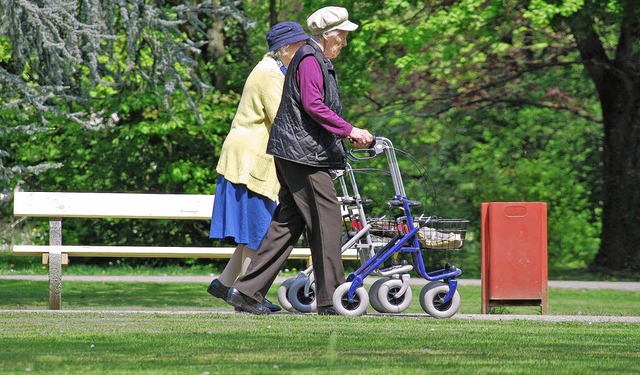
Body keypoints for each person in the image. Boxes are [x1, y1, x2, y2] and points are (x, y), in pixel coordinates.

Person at [226, 6, 374, 315]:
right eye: (343, 36)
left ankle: (246, 291)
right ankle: (332, 298)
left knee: (288, 222)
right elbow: (313, 105)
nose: (345, 42)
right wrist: (350, 130)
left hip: (298, 151)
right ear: (328, 35)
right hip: (302, 153)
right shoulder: (309, 59)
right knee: (328, 219)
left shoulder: (314, 58)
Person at [206, 22, 309, 312]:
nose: (303, 53)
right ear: (286, 48)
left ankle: (226, 284)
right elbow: (284, 118)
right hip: (251, 159)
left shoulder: (271, 70)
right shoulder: (269, 75)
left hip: (247, 156)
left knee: (253, 228)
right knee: (260, 232)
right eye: (300, 47)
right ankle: (248, 294)